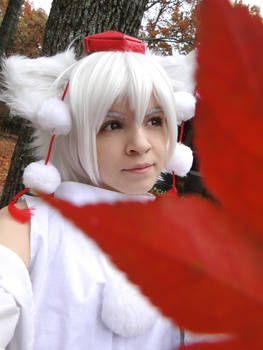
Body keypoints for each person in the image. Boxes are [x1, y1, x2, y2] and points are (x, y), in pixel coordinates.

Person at [0, 31, 196, 350]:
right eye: (112, 125)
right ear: (69, 131)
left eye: (155, 120)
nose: (140, 145)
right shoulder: (27, 228)